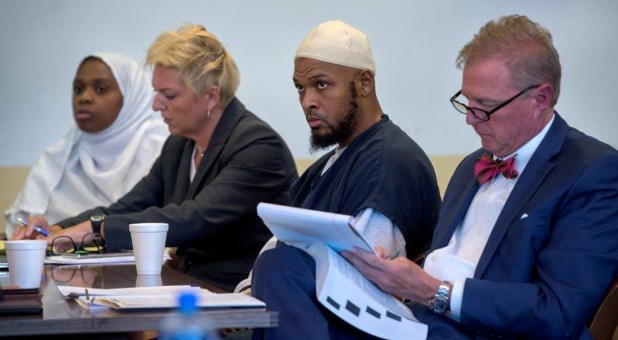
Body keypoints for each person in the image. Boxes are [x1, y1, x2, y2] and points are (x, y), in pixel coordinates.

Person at [263, 15, 618, 339]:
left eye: (485, 106)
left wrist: (433, 291)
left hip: (478, 330)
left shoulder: (591, 171)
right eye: (466, 102)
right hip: (416, 321)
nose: (470, 119)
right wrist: (394, 276)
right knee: (283, 264)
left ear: (540, 98)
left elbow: (558, 313)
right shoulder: (471, 167)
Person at [13, 24, 298, 292]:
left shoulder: (258, 146)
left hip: (241, 297)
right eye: (155, 92)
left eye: (169, 95)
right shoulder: (179, 145)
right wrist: (60, 228)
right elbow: (130, 205)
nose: (155, 104)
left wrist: (95, 229)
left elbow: (194, 218)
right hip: (189, 286)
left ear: (211, 97)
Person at [249, 20, 441, 339]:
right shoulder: (325, 166)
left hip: (355, 327)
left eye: (321, 84)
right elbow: (275, 246)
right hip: (302, 318)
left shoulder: (391, 161)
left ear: (364, 83)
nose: (307, 100)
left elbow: (363, 279)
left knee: (281, 265)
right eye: (300, 87)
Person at [4, 52, 169, 239]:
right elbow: (21, 230)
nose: (85, 97)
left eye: (100, 89)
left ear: (130, 95)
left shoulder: (162, 147)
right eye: (78, 89)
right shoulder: (57, 158)